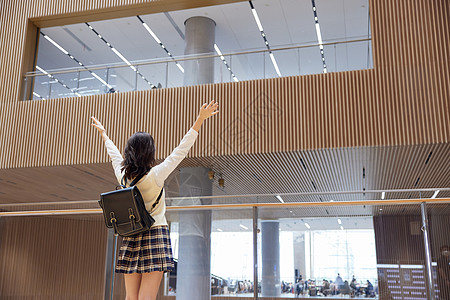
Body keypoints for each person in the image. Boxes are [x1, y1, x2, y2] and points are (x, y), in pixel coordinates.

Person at [91, 100, 219, 300]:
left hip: (132, 234)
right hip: (155, 234)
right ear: (150, 152)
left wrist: (104, 135)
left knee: (131, 297)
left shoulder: (123, 176)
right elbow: (181, 150)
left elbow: (114, 156)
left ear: (129, 152)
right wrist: (199, 120)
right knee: (146, 297)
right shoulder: (156, 174)